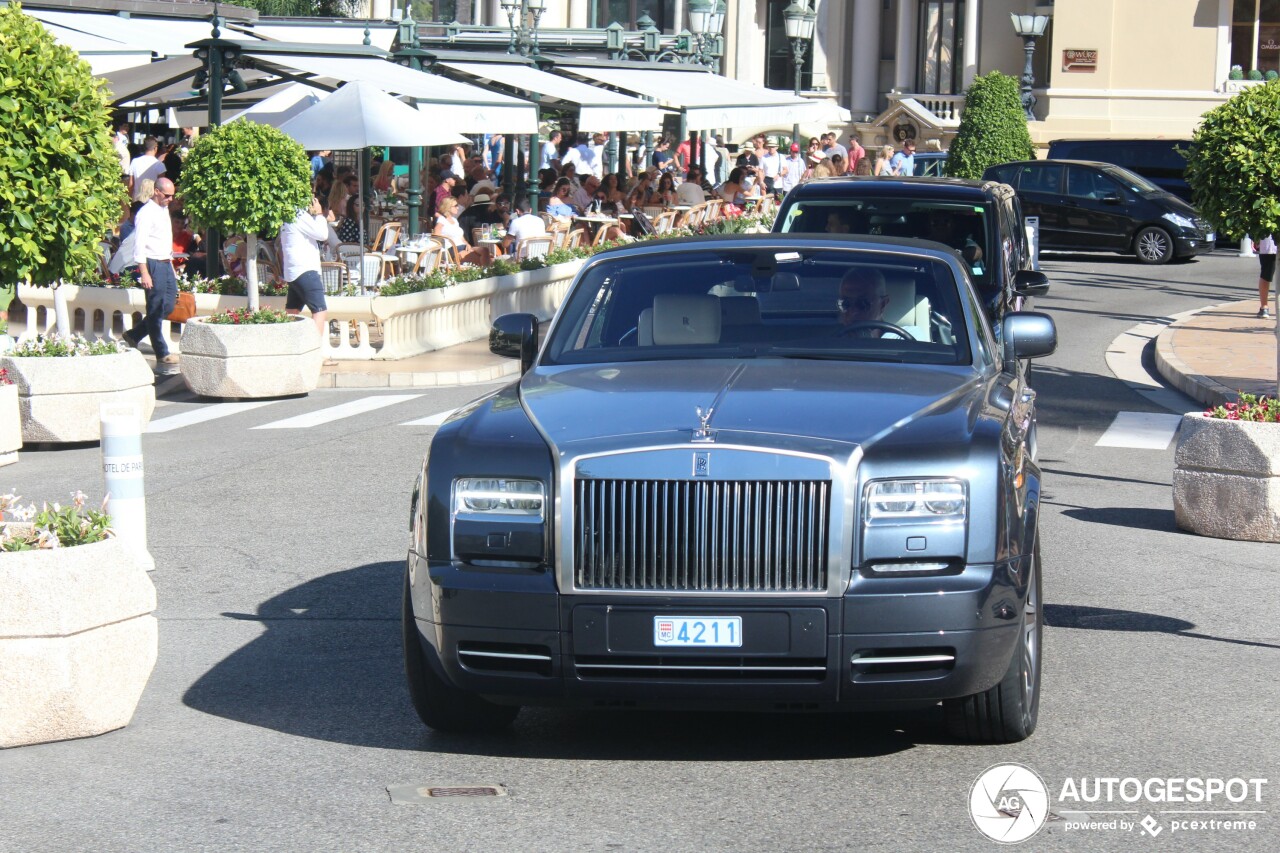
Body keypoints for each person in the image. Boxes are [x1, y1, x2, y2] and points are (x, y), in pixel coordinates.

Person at [123, 177, 179, 365]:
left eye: (172, 195)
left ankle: (134, 335)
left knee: (168, 305)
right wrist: (144, 272)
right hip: (152, 263)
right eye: (167, 195)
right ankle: (161, 352)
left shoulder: (163, 210)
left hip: (165, 262)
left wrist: (171, 265)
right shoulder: (146, 213)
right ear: (156, 191)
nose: (170, 199)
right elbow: (139, 245)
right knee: (155, 308)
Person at [278, 196, 332, 354]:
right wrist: (319, 214)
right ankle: (315, 353)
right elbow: (322, 234)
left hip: (293, 270)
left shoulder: (288, 215)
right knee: (320, 310)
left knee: (292, 311)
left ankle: (288, 350)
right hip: (305, 269)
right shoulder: (299, 215)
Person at [433, 197, 490, 266]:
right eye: (456, 206)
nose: (458, 208)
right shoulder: (442, 220)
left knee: (485, 251)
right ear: (448, 207)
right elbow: (436, 236)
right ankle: (485, 271)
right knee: (480, 259)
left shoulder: (455, 220)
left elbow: (461, 238)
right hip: (452, 249)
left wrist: (467, 244)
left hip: (462, 246)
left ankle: (486, 270)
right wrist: (448, 239)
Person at [837, 267, 890, 333]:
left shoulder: (900, 339)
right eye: (845, 304)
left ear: (882, 304)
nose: (853, 312)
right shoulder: (832, 340)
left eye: (862, 304)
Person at [127, 137, 166, 201]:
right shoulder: (160, 165)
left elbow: (131, 184)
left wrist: (129, 200)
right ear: (155, 148)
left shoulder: (134, 161)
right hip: (152, 200)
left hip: (137, 199)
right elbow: (160, 186)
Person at [1257, 235, 1276, 318]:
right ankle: (1264, 307)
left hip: (1268, 244)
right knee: (1266, 275)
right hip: (1268, 244)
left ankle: (1264, 307)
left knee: (1266, 275)